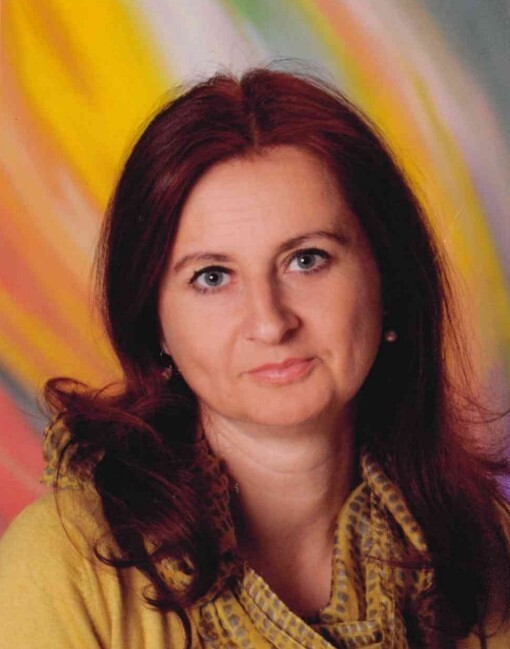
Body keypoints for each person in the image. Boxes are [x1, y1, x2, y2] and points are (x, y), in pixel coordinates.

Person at [0, 67, 509, 649]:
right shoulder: (63, 570)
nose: (270, 322)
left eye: (307, 260)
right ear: (154, 321)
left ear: (388, 279)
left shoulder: (490, 550)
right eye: (212, 277)